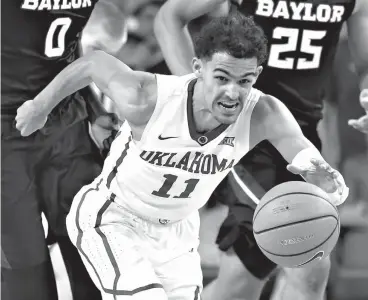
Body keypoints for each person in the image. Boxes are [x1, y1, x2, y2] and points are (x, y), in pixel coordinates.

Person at [15, 14, 348, 300]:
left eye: (244, 81)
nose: (232, 92)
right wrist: (39, 106)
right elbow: (92, 63)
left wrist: (323, 178)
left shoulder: (263, 113)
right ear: (197, 69)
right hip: (113, 218)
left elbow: (303, 154)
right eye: (221, 78)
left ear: (256, 76)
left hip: (177, 234)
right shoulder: (147, 98)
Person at [154, 0, 368, 299]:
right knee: (310, 255)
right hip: (244, 131)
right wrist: (198, 90)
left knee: (240, 284)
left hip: (299, 136)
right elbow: (169, 16)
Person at [0, 0, 133, 299]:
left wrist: (95, 106)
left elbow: (72, 44)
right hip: (6, 135)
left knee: (95, 257)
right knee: (27, 279)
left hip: (66, 124)